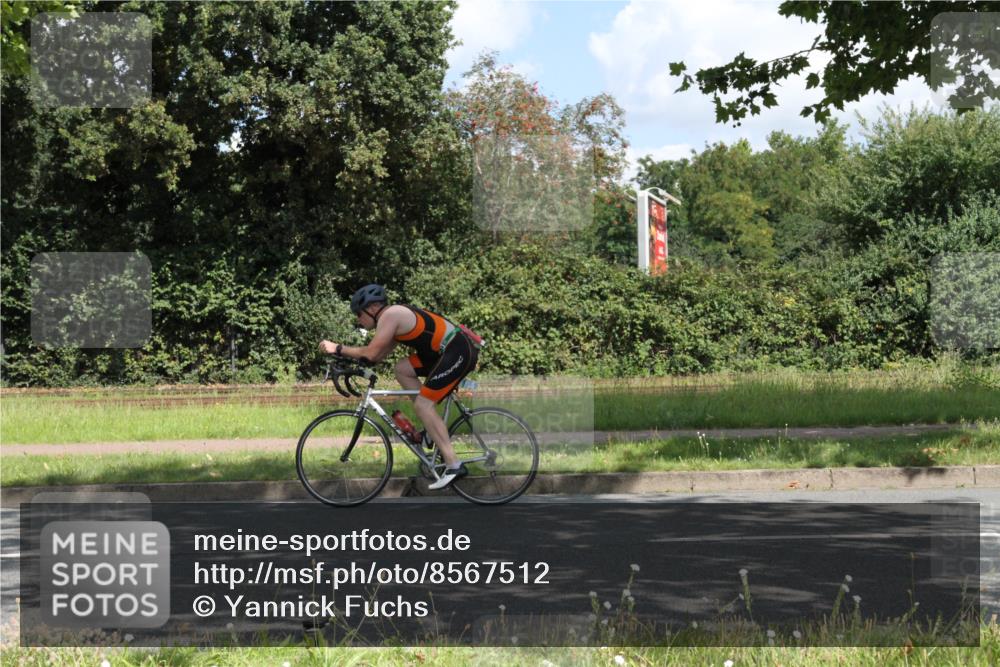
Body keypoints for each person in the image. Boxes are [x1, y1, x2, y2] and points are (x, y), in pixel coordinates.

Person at [319, 284, 480, 489]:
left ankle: (454, 464)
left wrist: (338, 348)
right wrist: (348, 365)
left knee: (423, 405)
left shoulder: (390, 315)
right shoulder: (391, 320)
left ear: (373, 307)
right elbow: (375, 357)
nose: (358, 319)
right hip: (443, 353)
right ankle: (431, 432)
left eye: (359, 313)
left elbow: (369, 352)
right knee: (402, 369)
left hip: (457, 351)